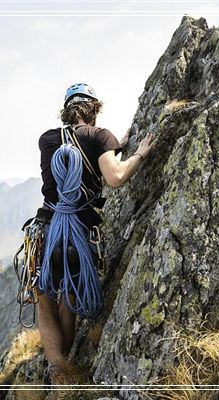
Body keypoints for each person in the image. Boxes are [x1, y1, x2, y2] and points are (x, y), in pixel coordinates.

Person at [36, 82, 155, 384]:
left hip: (48, 231)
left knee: (46, 299)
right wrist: (137, 154)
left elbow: (74, 152)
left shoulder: (48, 140)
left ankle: (57, 368)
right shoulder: (99, 137)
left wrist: (114, 145)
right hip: (80, 232)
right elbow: (114, 177)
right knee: (70, 299)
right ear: (94, 110)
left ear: (67, 112)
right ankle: (66, 369)